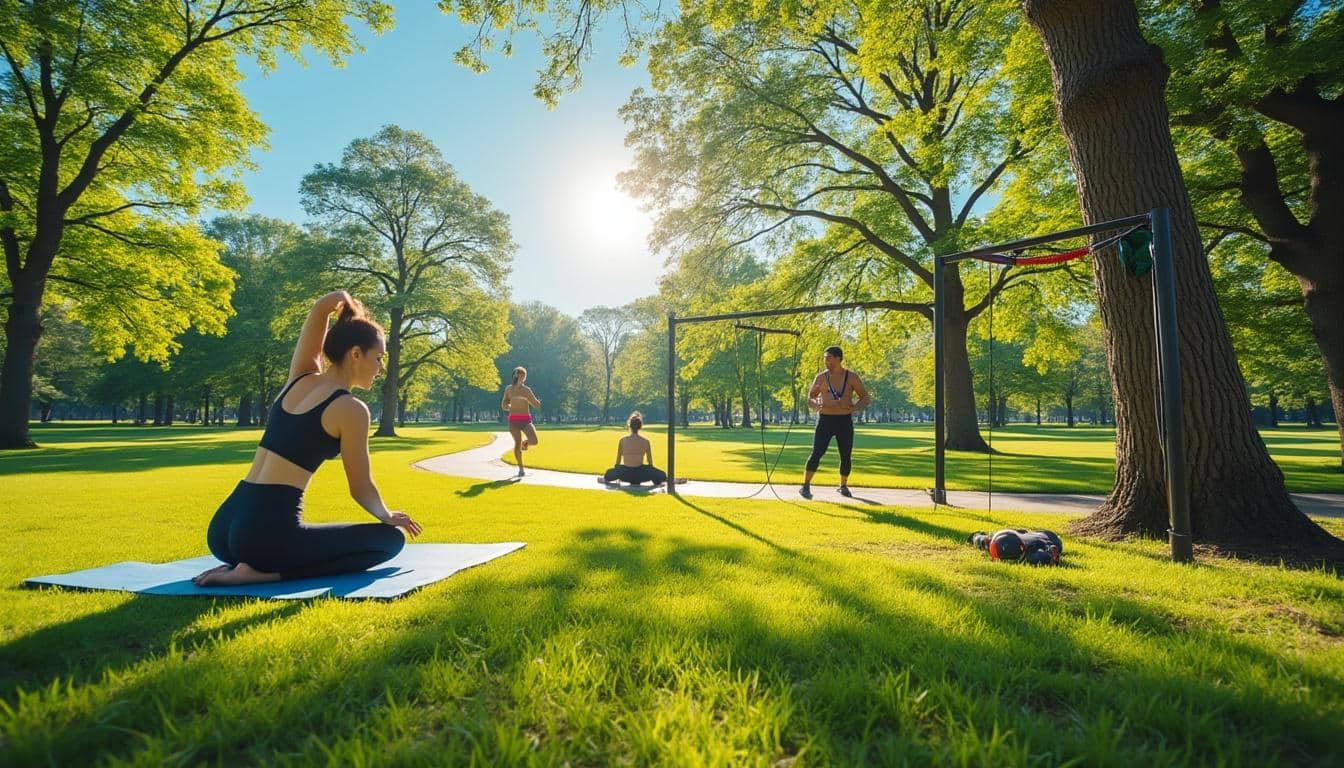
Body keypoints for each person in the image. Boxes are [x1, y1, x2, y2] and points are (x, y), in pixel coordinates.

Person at [193, 291, 422, 587]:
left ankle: (247, 564)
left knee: (363, 539)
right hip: (263, 536)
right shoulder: (351, 410)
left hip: (224, 526)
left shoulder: (300, 377)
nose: (381, 369)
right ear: (355, 354)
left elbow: (318, 311)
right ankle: (262, 574)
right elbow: (361, 488)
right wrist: (387, 515)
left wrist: (336, 301)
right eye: (378, 358)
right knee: (389, 541)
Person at [800, 345, 871, 499]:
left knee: (846, 455)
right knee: (817, 453)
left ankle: (843, 485)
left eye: (828, 358)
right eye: (824, 358)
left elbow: (865, 397)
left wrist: (854, 408)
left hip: (844, 421)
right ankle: (805, 486)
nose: (825, 361)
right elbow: (810, 397)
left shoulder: (851, 377)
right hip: (825, 420)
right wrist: (814, 404)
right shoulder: (820, 377)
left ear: (838, 358)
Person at [598, 411, 668, 486]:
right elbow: (650, 463)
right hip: (640, 475)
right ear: (640, 426)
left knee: (610, 472)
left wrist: (617, 471)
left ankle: (605, 478)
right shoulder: (645, 441)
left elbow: (618, 461)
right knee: (659, 473)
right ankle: (666, 479)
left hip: (625, 475)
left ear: (629, 425)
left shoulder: (622, 440)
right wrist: (652, 472)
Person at [501, 366, 541, 476]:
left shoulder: (526, 390)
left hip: (525, 420)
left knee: (534, 441)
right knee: (517, 443)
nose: (521, 377)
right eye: (519, 374)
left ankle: (526, 443)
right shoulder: (509, 389)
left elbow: (536, 405)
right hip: (513, 421)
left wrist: (533, 400)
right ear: (515, 375)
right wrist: (509, 407)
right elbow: (503, 404)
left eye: (523, 375)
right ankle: (521, 468)